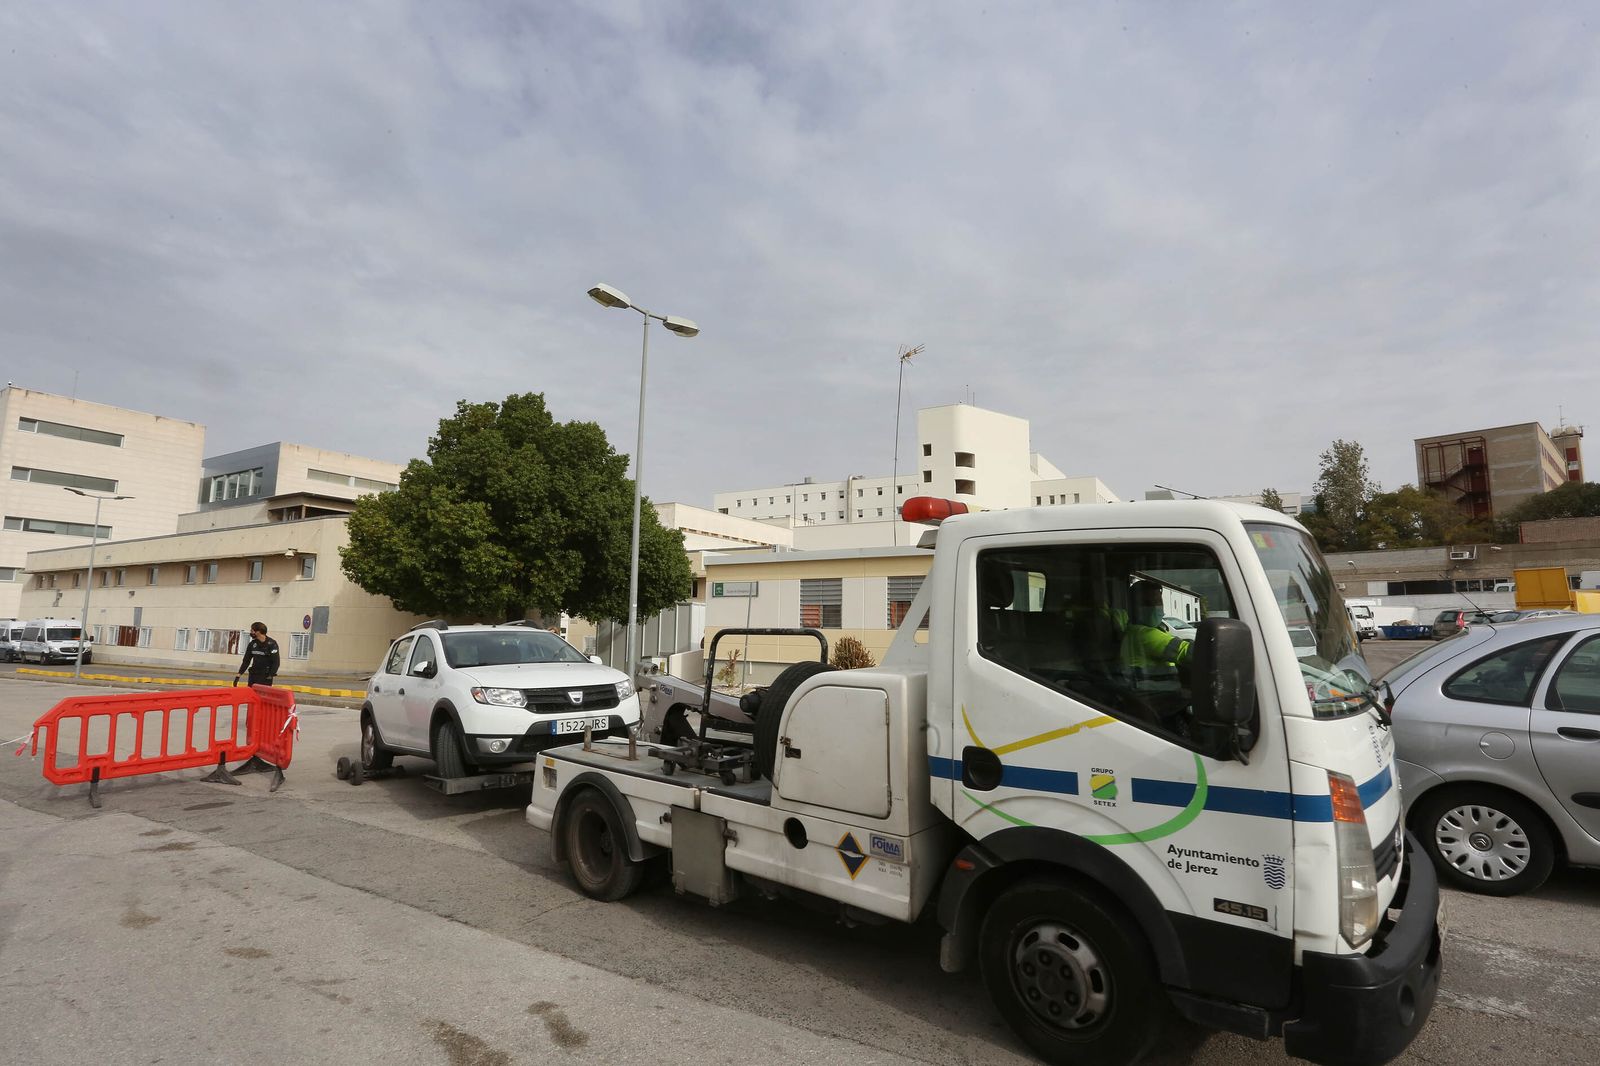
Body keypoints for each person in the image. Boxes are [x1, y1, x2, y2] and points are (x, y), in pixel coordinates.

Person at [235, 622, 280, 687]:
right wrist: (239, 674)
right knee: (252, 695)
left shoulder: (272, 644)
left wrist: (270, 675)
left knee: (262, 696)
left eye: (252, 631)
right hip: (254, 675)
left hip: (265, 676)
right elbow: (246, 660)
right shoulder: (252, 644)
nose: (250, 632)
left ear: (258, 632)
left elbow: (276, 662)